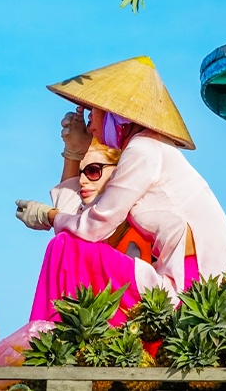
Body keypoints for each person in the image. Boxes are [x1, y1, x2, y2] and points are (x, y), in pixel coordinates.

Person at [16, 56, 226, 315]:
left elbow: (92, 228)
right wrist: (74, 152)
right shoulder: (147, 149)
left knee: (64, 247)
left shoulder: (143, 148)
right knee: (67, 245)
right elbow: (83, 220)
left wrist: (49, 216)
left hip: (190, 289)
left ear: (114, 114)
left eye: (92, 112)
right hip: (180, 282)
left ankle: (46, 337)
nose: (88, 123)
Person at [30, 136, 152, 324]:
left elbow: (71, 235)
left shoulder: (137, 222)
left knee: (66, 243)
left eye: (93, 171)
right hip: (98, 323)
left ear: (119, 172)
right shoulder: (95, 226)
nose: (82, 180)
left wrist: (52, 216)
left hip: (131, 326)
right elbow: (72, 222)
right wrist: (72, 150)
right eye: (80, 173)